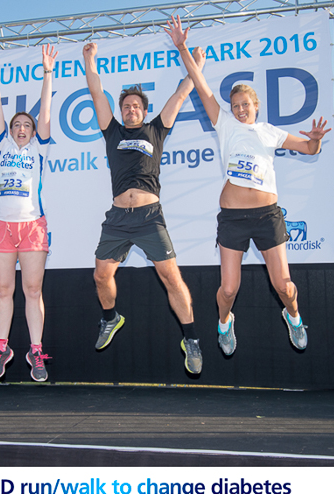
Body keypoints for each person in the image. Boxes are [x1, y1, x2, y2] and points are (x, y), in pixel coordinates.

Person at [164, 16, 331, 355]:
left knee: (285, 287)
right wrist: (182, 47)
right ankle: (225, 323)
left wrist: (315, 140)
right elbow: (200, 84)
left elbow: (309, 149)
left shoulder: (270, 132)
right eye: (236, 105)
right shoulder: (224, 124)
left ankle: (294, 317)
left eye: (245, 104)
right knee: (228, 290)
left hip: (268, 216)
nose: (240, 109)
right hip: (233, 218)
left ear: (256, 106)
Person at [82, 41, 205, 374]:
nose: (130, 110)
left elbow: (181, 94)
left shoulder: (156, 129)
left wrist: (195, 63)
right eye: (126, 106)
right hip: (118, 218)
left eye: (136, 106)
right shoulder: (112, 131)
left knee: (171, 277)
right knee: (101, 275)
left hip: (150, 216)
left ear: (144, 110)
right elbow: (96, 93)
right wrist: (89, 60)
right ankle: (110, 318)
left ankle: (191, 339)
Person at [0, 43, 58, 382]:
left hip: (32, 226)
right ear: (10, 131)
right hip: (1, 226)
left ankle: (35, 351)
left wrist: (47, 73)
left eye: (27, 125)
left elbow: (46, 110)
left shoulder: (39, 148)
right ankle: (2, 348)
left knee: (32, 290)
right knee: (2, 289)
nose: (22, 128)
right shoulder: (1, 145)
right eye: (17, 125)